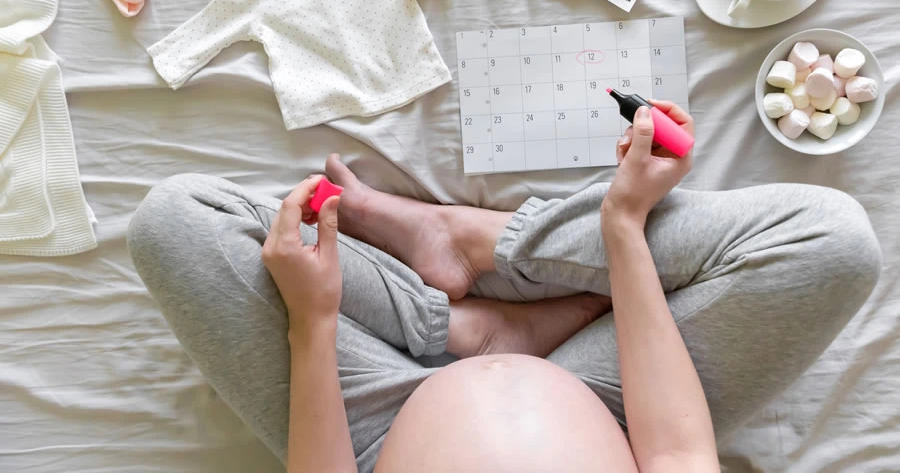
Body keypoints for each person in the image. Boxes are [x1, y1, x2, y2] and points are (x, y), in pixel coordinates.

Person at [128, 102, 880, 473]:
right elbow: (679, 455)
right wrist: (620, 226)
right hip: (618, 410)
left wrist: (313, 321)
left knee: (177, 223)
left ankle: (456, 321)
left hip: (374, 427)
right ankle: (485, 246)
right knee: (831, 245)